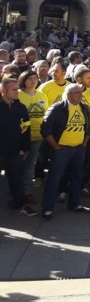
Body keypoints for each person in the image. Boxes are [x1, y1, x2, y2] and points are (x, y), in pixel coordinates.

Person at [40, 84, 90, 219]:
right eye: (77, 93)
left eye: (81, 92)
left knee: (76, 177)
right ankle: (47, 208)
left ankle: (74, 204)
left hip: (79, 149)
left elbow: (89, 128)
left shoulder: (84, 108)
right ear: (68, 95)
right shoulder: (58, 108)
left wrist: (84, 144)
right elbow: (45, 129)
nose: (81, 95)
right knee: (54, 178)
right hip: (61, 150)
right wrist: (56, 146)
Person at [0, 77, 37, 216]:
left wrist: (24, 148)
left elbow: (26, 128)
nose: (18, 92)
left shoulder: (20, 107)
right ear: (3, 91)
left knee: (16, 179)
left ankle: (20, 205)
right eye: (14, 89)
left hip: (15, 152)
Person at [17, 70, 48, 204]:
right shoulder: (18, 95)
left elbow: (46, 113)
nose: (33, 80)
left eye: (35, 78)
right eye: (29, 78)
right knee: (18, 166)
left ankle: (27, 192)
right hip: (22, 137)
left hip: (38, 136)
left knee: (30, 166)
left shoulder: (41, 94)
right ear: (23, 80)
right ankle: (15, 193)